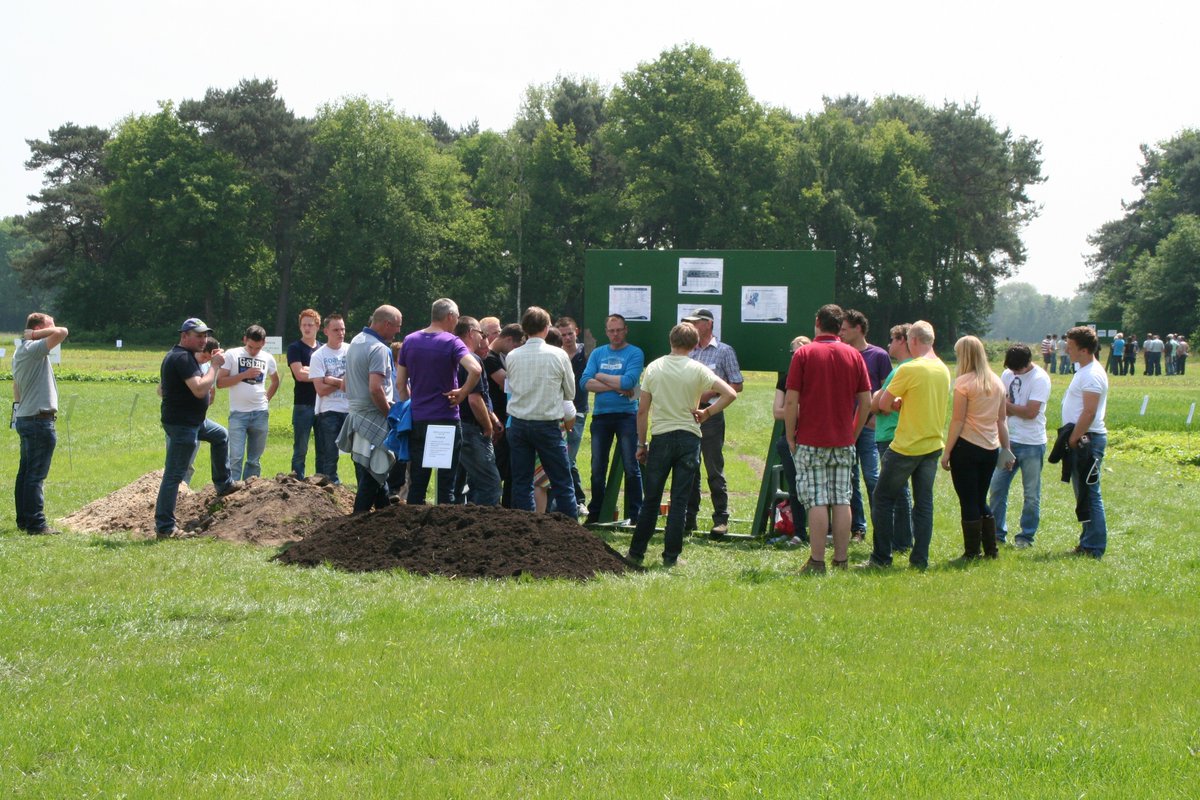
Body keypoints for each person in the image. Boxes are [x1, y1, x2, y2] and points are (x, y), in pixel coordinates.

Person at [629, 323, 738, 567]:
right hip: (689, 437)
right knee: (679, 501)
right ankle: (671, 557)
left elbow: (642, 411)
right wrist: (708, 412)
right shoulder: (698, 368)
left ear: (671, 341)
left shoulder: (654, 368)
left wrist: (641, 443)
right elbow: (730, 392)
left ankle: (636, 553)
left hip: (661, 437)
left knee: (652, 499)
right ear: (694, 344)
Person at [784, 304, 872, 573]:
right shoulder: (854, 355)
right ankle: (842, 560)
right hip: (843, 440)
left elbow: (790, 401)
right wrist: (854, 433)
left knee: (817, 500)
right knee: (842, 499)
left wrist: (790, 436)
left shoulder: (804, 353)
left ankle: (817, 561)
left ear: (817, 322)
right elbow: (866, 402)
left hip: (811, 438)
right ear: (839, 326)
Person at [860, 320, 952, 570]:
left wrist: (895, 402)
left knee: (882, 498)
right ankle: (919, 560)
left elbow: (882, 404)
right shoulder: (943, 368)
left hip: (906, 446)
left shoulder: (909, 369)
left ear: (912, 341)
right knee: (923, 503)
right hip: (933, 444)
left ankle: (881, 558)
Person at [155, 318, 241, 538]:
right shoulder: (182, 357)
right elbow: (199, 389)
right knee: (174, 475)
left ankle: (223, 484)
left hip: (194, 421)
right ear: (184, 336)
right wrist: (214, 366)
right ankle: (165, 527)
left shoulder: (186, 357)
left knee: (221, 435)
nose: (203, 340)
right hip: (183, 424)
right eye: (198, 335)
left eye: (205, 335)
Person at [396, 298, 480, 505]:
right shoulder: (452, 342)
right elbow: (475, 369)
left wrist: (410, 404)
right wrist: (462, 392)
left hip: (419, 419)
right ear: (450, 316)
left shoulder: (410, 340)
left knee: (418, 483)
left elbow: (400, 383)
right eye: (457, 317)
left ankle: (412, 528)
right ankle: (443, 533)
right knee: (446, 485)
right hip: (445, 420)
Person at [941, 336, 1011, 560]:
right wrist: (1006, 448)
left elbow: (957, 420)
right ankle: (991, 550)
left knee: (968, 500)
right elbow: (1002, 420)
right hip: (990, 448)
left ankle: (971, 552)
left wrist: (947, 451)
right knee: (981, 499)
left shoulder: (964, 383)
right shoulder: (997, 382)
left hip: (967, 446)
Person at [505, 306, 578, 516]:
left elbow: (511, 386)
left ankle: (524, 528)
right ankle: (571, 531)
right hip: (547, 423)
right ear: (547, 328)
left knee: (521, 481)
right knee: (562, 480)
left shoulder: (512, 356)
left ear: (524, 329)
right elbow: (570, 393)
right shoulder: (559, 355)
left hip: (518, 423)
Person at [680, 308, 744, 537]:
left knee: (713, 467)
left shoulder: (724, 351)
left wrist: (710, 394)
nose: (691, 326)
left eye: (695, 322)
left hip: (712, 416)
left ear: (708, 324)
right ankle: (689, 519)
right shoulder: (686, 352)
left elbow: (737, 384)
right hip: (687, 416)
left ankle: (721, 519)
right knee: (689, 467)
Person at [581, 313, 645, 524]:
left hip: (627, 415)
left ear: (625, 330)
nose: (615, 334)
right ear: (606, 332)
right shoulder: (598, 353)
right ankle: (596, 513)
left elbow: (629, 382)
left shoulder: (635, 353)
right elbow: (584, 383)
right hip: (601, 417)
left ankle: (636, 515)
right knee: (598, 466)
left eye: (619, 330)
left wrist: (600, 376)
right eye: (611, 331)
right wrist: (617, 385)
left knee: (631, 466)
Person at [340, 305, 404, 513]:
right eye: (396, 327)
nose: (397, 332)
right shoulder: (378, 348)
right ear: (386, 324)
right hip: (374, 417)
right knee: (373, 473)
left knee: (373, 473)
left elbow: (346, 382)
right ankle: (358, 521)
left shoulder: (356, 342)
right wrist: (391, 416)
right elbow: (376, 389)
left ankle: (383, 515)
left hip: (357, 417)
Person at [987, 344, 1052, 548]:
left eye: (1018, 370)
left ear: (1028, 363)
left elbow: (1031, 412)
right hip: (1008, 442)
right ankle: (996, 534)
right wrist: (1012, 409)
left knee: (1031, 494)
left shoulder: (1040, 379)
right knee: (997, 488)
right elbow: (998, 406)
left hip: (1032, 444)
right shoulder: (1006, 374)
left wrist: (1007, 407)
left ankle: (1026, 536)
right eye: (1011, 369)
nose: (1014, 373)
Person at [838, 309, 893, 543]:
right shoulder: (841, 354)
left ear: (858, 328)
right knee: (849, 480)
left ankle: (882, 528)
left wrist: (874, 416)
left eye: (844, 329)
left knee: (872, 477)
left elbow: (888, 389)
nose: (840, 333)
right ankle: (858, 529)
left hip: (870, 427)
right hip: (845, 426)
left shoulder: (878, 355)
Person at [12, 312, 69, 535]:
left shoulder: (21, 351)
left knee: (25, 473)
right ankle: (36, 524)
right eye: (49, 325)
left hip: (27, 418)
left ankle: (24, 520)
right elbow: (63, 332)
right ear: (37, 328)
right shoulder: (33, 349)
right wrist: (35, 334)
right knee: (36, 475)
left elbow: (16, 386)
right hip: (39, 420)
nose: (54, 327)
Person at [1060, 326, 1109, 558]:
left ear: (1085, 349)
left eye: (1070, 347)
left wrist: (1073, 437)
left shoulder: (1092, 375)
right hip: (1083, 438)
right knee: (1084, 494)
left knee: (1090, 493)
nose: (1066, 350)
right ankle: (1087, 542)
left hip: (1088, 440)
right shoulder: (1083, 369)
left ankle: (1094, 547)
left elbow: (1089, 412)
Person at [156, 335, 220, 491]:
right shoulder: (184, 363)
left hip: (196, 420)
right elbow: (161, 390)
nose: (205, 360)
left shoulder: (205, 368)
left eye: (208, 358)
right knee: (176, 465)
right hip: (180, 421)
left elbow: (207, 393)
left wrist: (208, 397)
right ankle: (173, 496)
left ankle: (184, 493)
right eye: (203, 356)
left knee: (190, 462)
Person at [217, 324, 280, 481]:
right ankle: (232, 490)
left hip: (260, 413)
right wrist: (244, 375)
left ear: (264, 343)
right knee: (236, 457)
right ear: (245, 339)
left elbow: (275, 381)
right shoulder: (232, 354)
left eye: (257, 348)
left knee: (254, 460)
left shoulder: (268, 358)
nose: (253, 351)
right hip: (238, 413)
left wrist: (267, 398)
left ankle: (250, 494)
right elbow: (220, 382)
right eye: (250, 346)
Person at [872, 324, 914, 551]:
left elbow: (878, 404)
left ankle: (901, 541)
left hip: (889, 434)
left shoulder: (901, 371)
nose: (889, 344)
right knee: (900, 491)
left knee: (896, 492)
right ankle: (903, 540)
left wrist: (879, 396)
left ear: (902, 341)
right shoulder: (905, 368)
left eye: (892, 339)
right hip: (894, 432)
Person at [453, 315, 501, 505]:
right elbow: (475, 399)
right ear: (471, 333)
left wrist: (493, 418)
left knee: (456, 485)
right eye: (481, 333)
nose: (484, 338)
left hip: (453, 425)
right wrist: (488, 427)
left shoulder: (450, 356)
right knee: (490, 483)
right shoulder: (471, 359)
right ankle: (486, 528)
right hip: (472, 428)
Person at [771, 335, 811, 545]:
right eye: (793, 352)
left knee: (819, 487)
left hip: (812, 437)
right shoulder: (785, 378)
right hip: (789, 440)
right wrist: (800, 409)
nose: (797, 355)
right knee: (796, 487)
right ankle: (799, 533)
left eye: (801, 350)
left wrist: (791, 409)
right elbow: (777, 412)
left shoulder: (815, 376)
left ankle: (824, 531)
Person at [484, 323, 525, 507]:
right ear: (509, 339)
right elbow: (506, 383)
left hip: (502, 417)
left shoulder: (499, 356)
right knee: (500, 466)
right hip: (497, 418)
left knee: (507, 466)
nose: (515, 351)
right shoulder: (490, 359)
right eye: (516, 346)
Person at [309, 314, 349, 483]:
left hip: (351, 409)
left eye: (343, 329)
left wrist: (329, 378)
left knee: (360, 455)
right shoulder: (318, 356)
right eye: (336, 330)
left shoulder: (351, 350)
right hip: (329, 411)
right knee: (330, 455)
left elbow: (356, 382)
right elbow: (321, 390)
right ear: (325, 331)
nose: (340, 333)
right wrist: (340, 382)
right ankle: (331, 490)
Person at [556, 316, 589, 513]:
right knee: (567, 459)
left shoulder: (586, 352)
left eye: (570, 333)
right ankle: (577, 499)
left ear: (576, 331)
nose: (567, 338)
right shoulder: (555, 354)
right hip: (557, 411)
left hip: (579, 410)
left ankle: (573, 502)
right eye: (563, 335)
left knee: (568, 457)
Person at [287, 308, 321, 478]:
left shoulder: (323, 349)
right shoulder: (294, 348)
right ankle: (297, 483)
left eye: (310, 325)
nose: (307, 328)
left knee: (325, 447)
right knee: (301, 448)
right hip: (303, 404)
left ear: (317, 326)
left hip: (323, 404)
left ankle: (324, 481)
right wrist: (321, 374)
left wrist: (311, 371)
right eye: (304, 325)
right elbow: (299, 375)